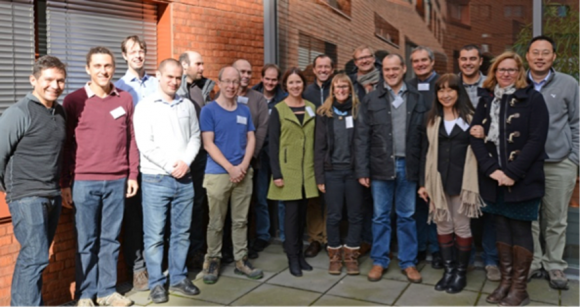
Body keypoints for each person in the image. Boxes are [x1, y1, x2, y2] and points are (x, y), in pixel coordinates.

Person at [469, 51, 549, 306]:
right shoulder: (486, 99)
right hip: (494, 178)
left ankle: (519, 288)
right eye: (501, 69)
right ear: (494, 73)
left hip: (523, 179)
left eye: (511, 69)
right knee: (501, 227)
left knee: (521, 229)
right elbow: (475, 135)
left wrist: (513, 173)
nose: (506, 74)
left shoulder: (533, 99)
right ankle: (505, 282)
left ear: (519, 72)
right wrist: (491, 169)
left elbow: (537, 140)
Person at [61, 47, 138, 307]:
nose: (103, 71)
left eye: (107, 66)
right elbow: (65, 145)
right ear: (87, 69)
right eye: (97, 66)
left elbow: (131, 140)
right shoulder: (73, 101)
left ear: (113, 68)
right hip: (84, 182)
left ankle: (106, 292)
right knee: (86, 241)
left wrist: (132, 174)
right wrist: (64, 183)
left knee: (110, 240)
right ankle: (85, 295)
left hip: (117, 180)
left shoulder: (125, 99)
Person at [354, 54, 428, 283]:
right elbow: (362, 136)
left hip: (409, 164)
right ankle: (379, 260)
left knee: (407, 215)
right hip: (380, 165)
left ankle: (408, 262)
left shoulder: (417, 97)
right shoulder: (372, 98)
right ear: (382, 71)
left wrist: (424, 175)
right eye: (387, 69)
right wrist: (363, 170)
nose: (391, 73)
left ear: (404, 69)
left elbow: (424, 139)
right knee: (380, 216)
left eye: (395, 68)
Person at [0, 55, 67, 306]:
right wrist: (10, 190)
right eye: (48, 80)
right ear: (33, 80)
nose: (55, 85)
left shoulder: (59, 112)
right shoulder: (19, 112)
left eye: (60, 80)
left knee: (34, 258)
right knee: (35, 257)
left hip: (52, 194)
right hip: (26, 195)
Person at [133, 58, 201, 303]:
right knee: (154, 236)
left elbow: (195, 136)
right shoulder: (145, 106)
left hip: (185, 178)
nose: (174, 81)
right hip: (155, 180)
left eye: (178, 77)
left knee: (182, 233)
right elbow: (145, 144)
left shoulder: (188, 106)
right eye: (169, 76)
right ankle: (157, 284)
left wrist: (185, 163)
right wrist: (171, 165)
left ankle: (180, 277)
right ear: (158, 76)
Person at [418, 73, 482, 294]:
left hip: (463, 181)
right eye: (441, 90)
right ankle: (448, 271)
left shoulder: (471, 118)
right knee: (443, 224)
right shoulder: (431, 119)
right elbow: (425, 152)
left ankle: (460, 274)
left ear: (458, 92)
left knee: (461, 226)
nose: (445, 95)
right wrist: (423, 183)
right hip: (437, 180)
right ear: (436, 94)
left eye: (450, 90)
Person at [200, 66, 263, 284]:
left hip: (243, 173)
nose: (231, 86)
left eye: (235, 81)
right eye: (226, 81)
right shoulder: (209, 110)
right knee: (216, 222)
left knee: (240, 221)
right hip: (218, 174)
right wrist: (231, 168)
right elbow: (208, 143)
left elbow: (251, 138)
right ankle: (212, 260)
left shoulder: (244, 110)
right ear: (219, 83)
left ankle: (240, 260)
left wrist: (243, 166)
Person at [525, 35, 579, 290]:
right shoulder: (517, 82)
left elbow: (577, 123)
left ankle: (554, 265)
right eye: (535, 52)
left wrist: (574, 159)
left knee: (556, 218)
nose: (540, 57)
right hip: (526, 165)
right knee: (530, 218)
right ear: (527, 56)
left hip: (559, 163)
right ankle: (534, 262)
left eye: (545, 52)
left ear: (553, 57)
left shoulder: (569, 84)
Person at [114, 34, 158, 291]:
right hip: (133, 164)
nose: (138, 54)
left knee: (155, 218)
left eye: (141, 50)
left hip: (157, 163)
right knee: (133, 220)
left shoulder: (157, 83)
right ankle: (138, 269)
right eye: (132, 50)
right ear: (124, 55)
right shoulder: (118, 87)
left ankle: (156, 265)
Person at [268, 67, 318, 277]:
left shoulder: (311, 107)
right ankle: (292, 258)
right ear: (285, 86)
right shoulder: (279, 109)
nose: (295, 86)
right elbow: (272, 144)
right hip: (288, 171)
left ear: (303, 85)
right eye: (291, 83)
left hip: (307, 170)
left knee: (302, 216)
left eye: (298, 82)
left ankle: (300, 255)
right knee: (291, 217)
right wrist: (277, 173)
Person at [219, 59, 270, 261]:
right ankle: (226, 248)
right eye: (243, 72)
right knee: (226, 208)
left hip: (250, 164)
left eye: (249, 72)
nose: (246, 76)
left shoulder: (257, 99)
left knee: (247, 207)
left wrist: (247, 160)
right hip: (226, 166)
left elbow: (262, 129)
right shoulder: (220, 98)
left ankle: (245, 246)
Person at [314, 73, 363, 275]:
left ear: (350, 89)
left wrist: (362, 171)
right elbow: (319, 148)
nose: (341, 90)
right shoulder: (324, 114)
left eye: (345, 87)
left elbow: (362, 144)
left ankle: (351, 254)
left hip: (353, 173)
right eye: (337, 87)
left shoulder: (358, 112)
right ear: (332, 91)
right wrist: (320, 177)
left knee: (355, 215)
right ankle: (334, 255)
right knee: (333, 216)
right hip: (332, 172)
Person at [458, 44, 500, 282]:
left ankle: (491, 259)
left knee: (488, 208)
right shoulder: (452, 85)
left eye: (472, 59)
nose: (468, 63)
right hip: (460, 155)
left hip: (487, 153)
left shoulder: (491, 86)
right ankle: (468, 255)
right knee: (464, 207)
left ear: (480, 61)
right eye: (464, 59)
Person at [177, 51, 215, 269]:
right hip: (181, 158)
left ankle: (196, 252)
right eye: (198, 63)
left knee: (200, 205)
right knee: (182, 206)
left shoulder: (204, 89)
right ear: (184, 65)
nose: (202, 67)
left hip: (201, 157)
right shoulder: (176, 90)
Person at [408, 46, 441, 268]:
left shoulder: (443, 84)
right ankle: (420, 248)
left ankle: (438, 250)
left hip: (438, 150)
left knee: (437, 203)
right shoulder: (407, 87)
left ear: (432, 62)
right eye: (416, 61)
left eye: (423, 60)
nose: (420, 64)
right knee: (418, 204)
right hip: (414, 150)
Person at [302, 54, 334, 258]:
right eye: (319, 67)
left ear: (332, 69)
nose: (323, 70)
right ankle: (315, 238)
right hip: (311, 151)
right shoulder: (307, 93)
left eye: (326, 67)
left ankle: (330, 238)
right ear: (314, 70)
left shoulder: (338, 89)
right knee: (313, 197)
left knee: (332, 198)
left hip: (334, 151)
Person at [252, 64, 288, 243]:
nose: (270, 83)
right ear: (262, 77)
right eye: (267, 78)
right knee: (260, 196)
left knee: (282, 195)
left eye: (274, 79)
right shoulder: (253, 95)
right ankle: (263, 235)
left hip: (279, 152)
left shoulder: (285, 98)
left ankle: (284, 236)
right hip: (258, 152)